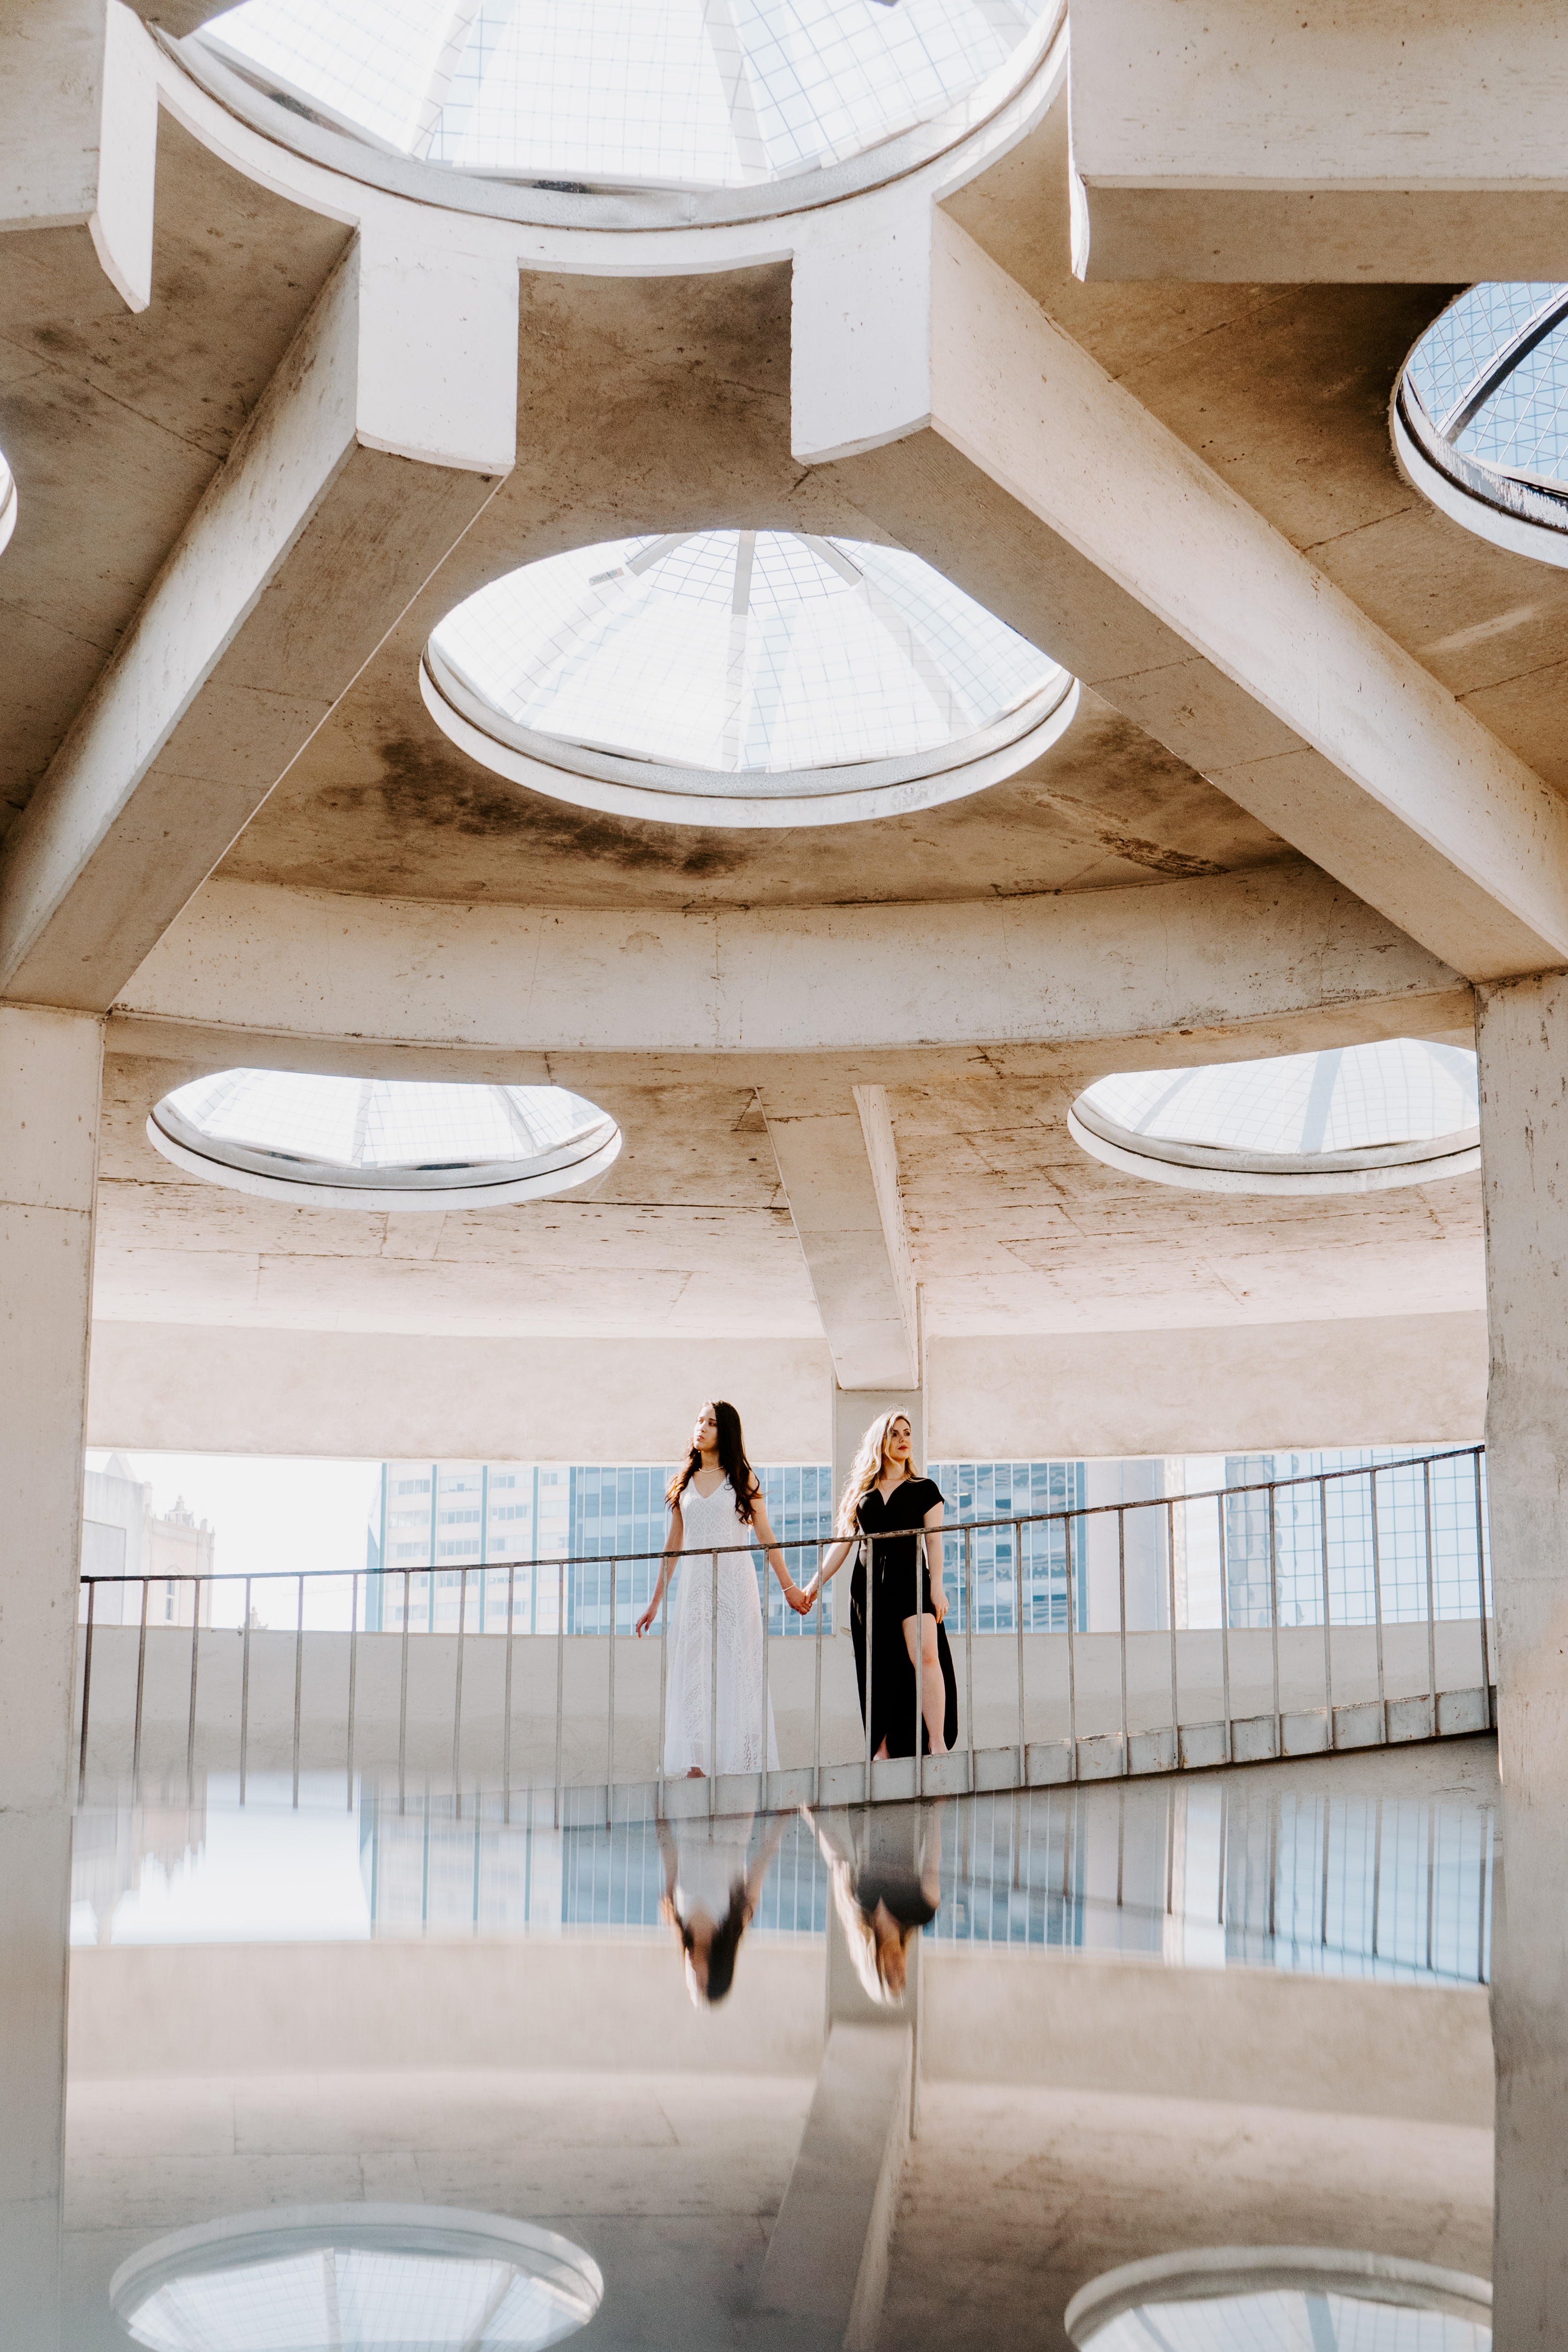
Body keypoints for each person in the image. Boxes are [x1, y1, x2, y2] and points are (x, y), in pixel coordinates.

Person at [635, 1401, 811, 1777]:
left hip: (735, 1583)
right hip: (695, 1588)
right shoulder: (684, 1482)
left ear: (725, 1431)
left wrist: (789, 1588)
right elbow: (673, 1546)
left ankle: (743, 1760)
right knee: (693, 1669)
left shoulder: (742, 1477)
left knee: (739, 1668)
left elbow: (766, 1537)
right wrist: (654, 1603)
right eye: (699, 1420)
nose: (701, 1427)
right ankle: (696, 1763)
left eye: (711, 1423)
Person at [802, 1411, 957, 1760]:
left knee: (927, 1654)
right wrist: (814, 1585)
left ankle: (937, 1743)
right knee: (878, 1669)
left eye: (907, 1433)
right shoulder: (862, 1494)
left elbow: (934, 1542)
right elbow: (843, 1543)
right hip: (869, 1588)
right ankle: (881, 1750)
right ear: (880, 1441)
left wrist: (937, 1587)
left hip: (912, 1580)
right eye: (895, 1434)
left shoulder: (924, 1489)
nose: (903, 1439)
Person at [807, 1800, 943, 2005]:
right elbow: (932, 1863)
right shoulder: (922, 1912)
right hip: (910, 1807)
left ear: (874, 1969)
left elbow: (839, 1861)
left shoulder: (858, 1912)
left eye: (889, 1977)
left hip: (864, 1803)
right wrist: (936, 1809)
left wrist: (810, 1814)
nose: (897, 1971)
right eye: (902, 1978)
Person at [658, 1811, 787, 2007]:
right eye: (700, 1982)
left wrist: (656, 1802)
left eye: (691, 1985)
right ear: (716, 1972)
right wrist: (784, 1815)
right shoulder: (735, 1921)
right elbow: (762, 1860)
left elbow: (668, 1849)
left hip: (690, 1812)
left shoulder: (676, 1919)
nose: (692, 1976)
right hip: (734, 1813)